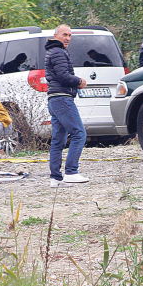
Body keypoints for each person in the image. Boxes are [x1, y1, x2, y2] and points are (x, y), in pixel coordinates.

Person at [45, 24, 89, 187]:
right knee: (79, 133)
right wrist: (79, 81)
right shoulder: (58, 52)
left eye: (70, 35)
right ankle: (71, 172)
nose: (68, 38)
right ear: (55, 36)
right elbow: (63, 76)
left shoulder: (54, 51)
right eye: (64, 35)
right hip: (62, 99)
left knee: (58, 140)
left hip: (55, 100)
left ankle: (56, 178)